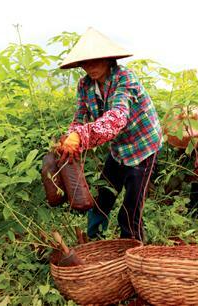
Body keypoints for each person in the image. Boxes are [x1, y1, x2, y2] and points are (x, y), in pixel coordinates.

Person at [56, 28, 162, 241]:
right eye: (85, 63)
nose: (91, 67)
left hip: (143, 147)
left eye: (96, 61)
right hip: (118, 149)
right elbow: (80, 117)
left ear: (108, 59)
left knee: (131, 208)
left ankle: (131, 251)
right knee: (103, 197)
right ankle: (94, 242)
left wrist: (82, 136)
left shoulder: (124, 78)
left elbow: (116, 118)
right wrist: (71, 137)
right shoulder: (85, 85)